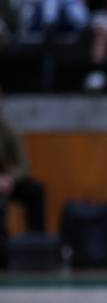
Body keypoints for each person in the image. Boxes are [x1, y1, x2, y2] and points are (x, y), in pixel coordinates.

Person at [0, 90, 45, 235]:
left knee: (35, 190)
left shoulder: (5, 127)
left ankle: (34, 243)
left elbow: (22, 163)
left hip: (3, 181)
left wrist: (10, 178)